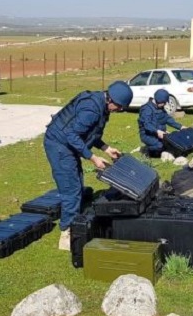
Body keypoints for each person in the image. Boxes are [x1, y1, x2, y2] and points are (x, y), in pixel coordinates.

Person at [44, 81, 133, 251]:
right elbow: (72, 135)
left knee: (77, 182)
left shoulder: (101, 105)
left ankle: (74, 218)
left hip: (67, 142)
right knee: (71, 188)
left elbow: (89, 133)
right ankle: (67, 232)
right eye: (120, 107)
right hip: (59, 145)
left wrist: (106, 148)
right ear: (111, 101)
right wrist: (93, 158)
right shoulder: (91, 109)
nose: (119, 111)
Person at [138, 89, 182, 157]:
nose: (165, 104)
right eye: (164, 102)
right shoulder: (147, 109)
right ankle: (147, 150)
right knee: (159, 146)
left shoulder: (161, 108)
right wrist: (157, 131)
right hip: (147, 134)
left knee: (172, 143)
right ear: (159, 101)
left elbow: (167, 119)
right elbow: (147, 125)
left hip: (159, 133)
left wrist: (180, 127)